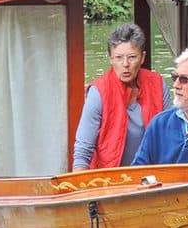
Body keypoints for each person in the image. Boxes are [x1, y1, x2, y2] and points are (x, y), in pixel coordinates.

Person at [73, 23, 171, 170]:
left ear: (142, 57)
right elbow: (83, 150)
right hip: (109, 179)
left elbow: (171, 134)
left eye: (132, 57)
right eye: (118, 58)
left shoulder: (157, 83)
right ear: (110, 59)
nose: (125, 64)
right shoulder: (98, 91)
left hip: (152, 176)